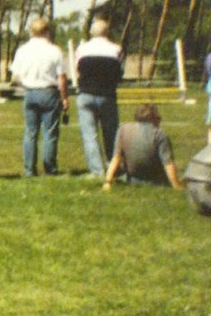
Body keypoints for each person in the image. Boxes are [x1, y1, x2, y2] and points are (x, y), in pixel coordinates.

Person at [10, 17, 69, 176]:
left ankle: (29, 169)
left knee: (30, 132)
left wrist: (26, 85)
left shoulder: (22, 50)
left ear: (31, 32)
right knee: (50, 133)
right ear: (47, 32)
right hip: (49, 92)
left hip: (30, 92)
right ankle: (50, 168)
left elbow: (16, 76)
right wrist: (64, 98)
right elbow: (61, 78)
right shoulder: (54, 51)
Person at [75, 19, 123, 177]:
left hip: (86, 94)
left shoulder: (82, 49)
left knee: (90, 135)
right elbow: (119, 73)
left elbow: (77, 70)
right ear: (107, 32)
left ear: (91, 33)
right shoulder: (116, 49)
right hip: (107, 95)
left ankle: (96, 170)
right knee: (111, 134)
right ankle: (113, 166)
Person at [103, 104, 183, 191]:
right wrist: (177, 186)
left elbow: (116, 158)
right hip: (156, 181)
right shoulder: (159, 135)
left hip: (132, 179)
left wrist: (107, 182)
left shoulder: (123, 130)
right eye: (158, 118)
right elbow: (168, 164)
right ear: (152, 119)